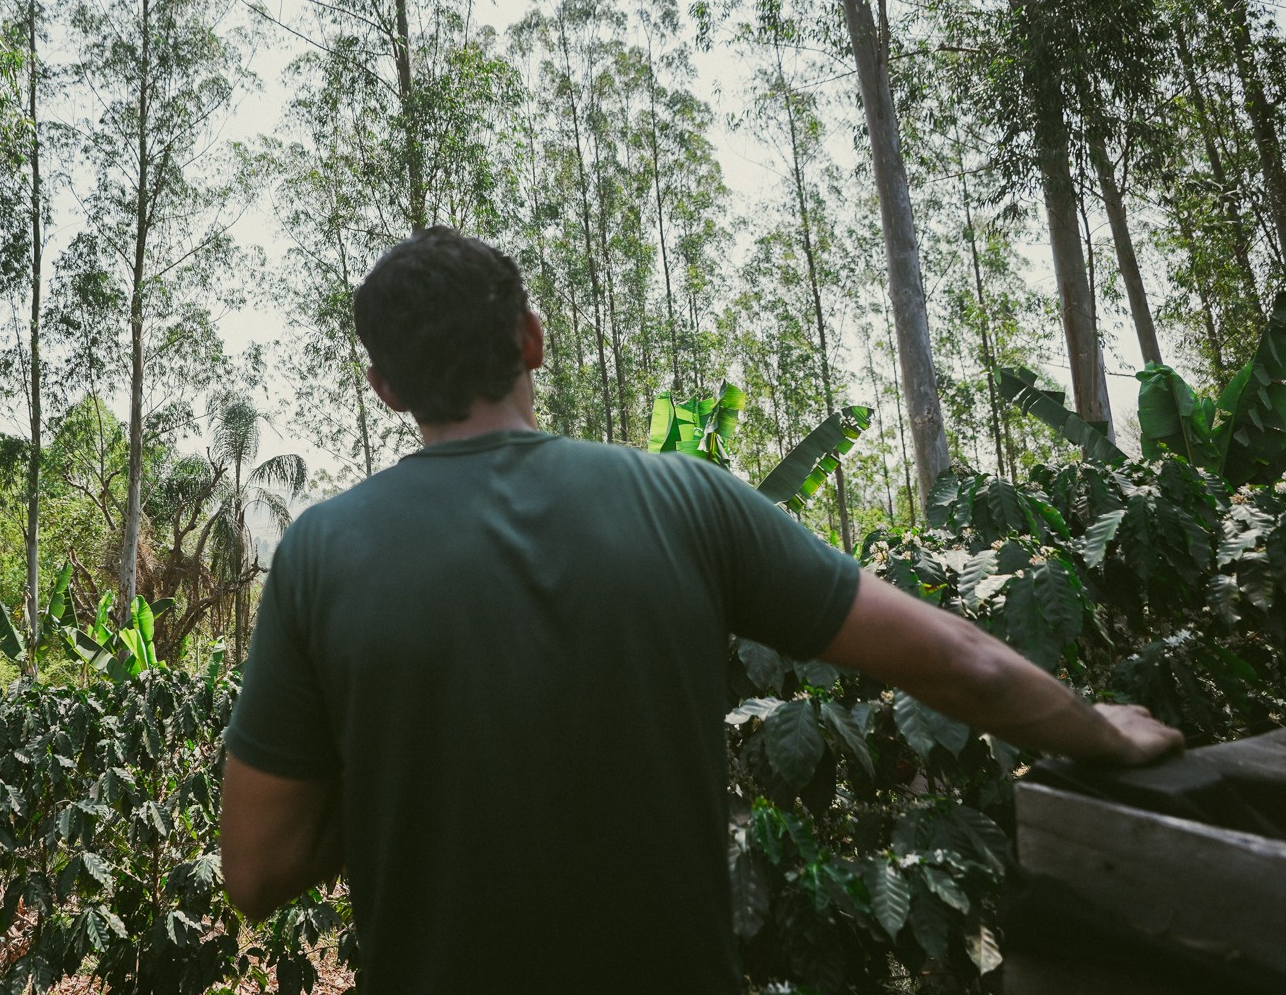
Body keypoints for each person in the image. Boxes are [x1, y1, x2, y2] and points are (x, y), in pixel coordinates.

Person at [219, 227, 1182, 994]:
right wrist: (1097, 730)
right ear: (531, 338)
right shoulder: (684, 500)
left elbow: (256, 871)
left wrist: (403, 751)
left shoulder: (320, 555)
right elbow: (959, 662)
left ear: (385, 389)